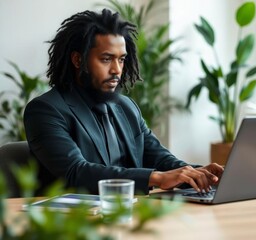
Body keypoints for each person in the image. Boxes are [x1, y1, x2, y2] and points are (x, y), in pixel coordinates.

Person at [24, 9, 223, 195]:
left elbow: (159, 158)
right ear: (78, 60)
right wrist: (156, 178)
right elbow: (77, 172)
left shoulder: (126, 107)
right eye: (106, 59)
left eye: (121, 59)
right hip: (73, 223)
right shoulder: (45, 110)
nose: (117, 70)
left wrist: (200, 174)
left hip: (130, 214)